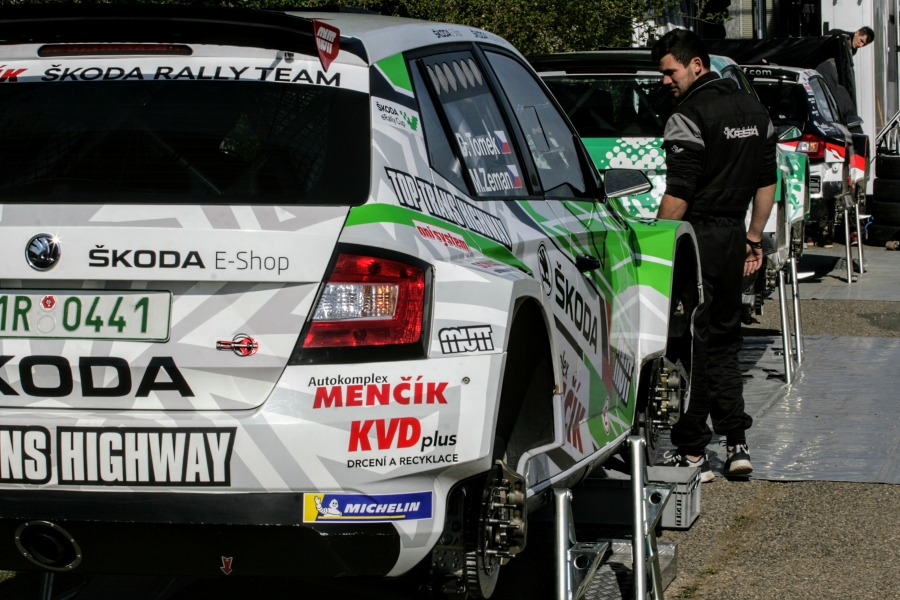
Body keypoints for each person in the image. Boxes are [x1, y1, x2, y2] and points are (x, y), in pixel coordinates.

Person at [651, 29, 777, 481]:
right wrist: (754, 237)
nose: (665, 81)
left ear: (696, 65)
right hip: (732, 236)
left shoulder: (688, 115)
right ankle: (737, 444)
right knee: (725, 339)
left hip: (696, 237)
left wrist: (656, 244)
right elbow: (767, 181)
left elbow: (679, 191)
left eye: (670, 72)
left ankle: (692, 453)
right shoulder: (755, 110)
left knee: (692, 345)